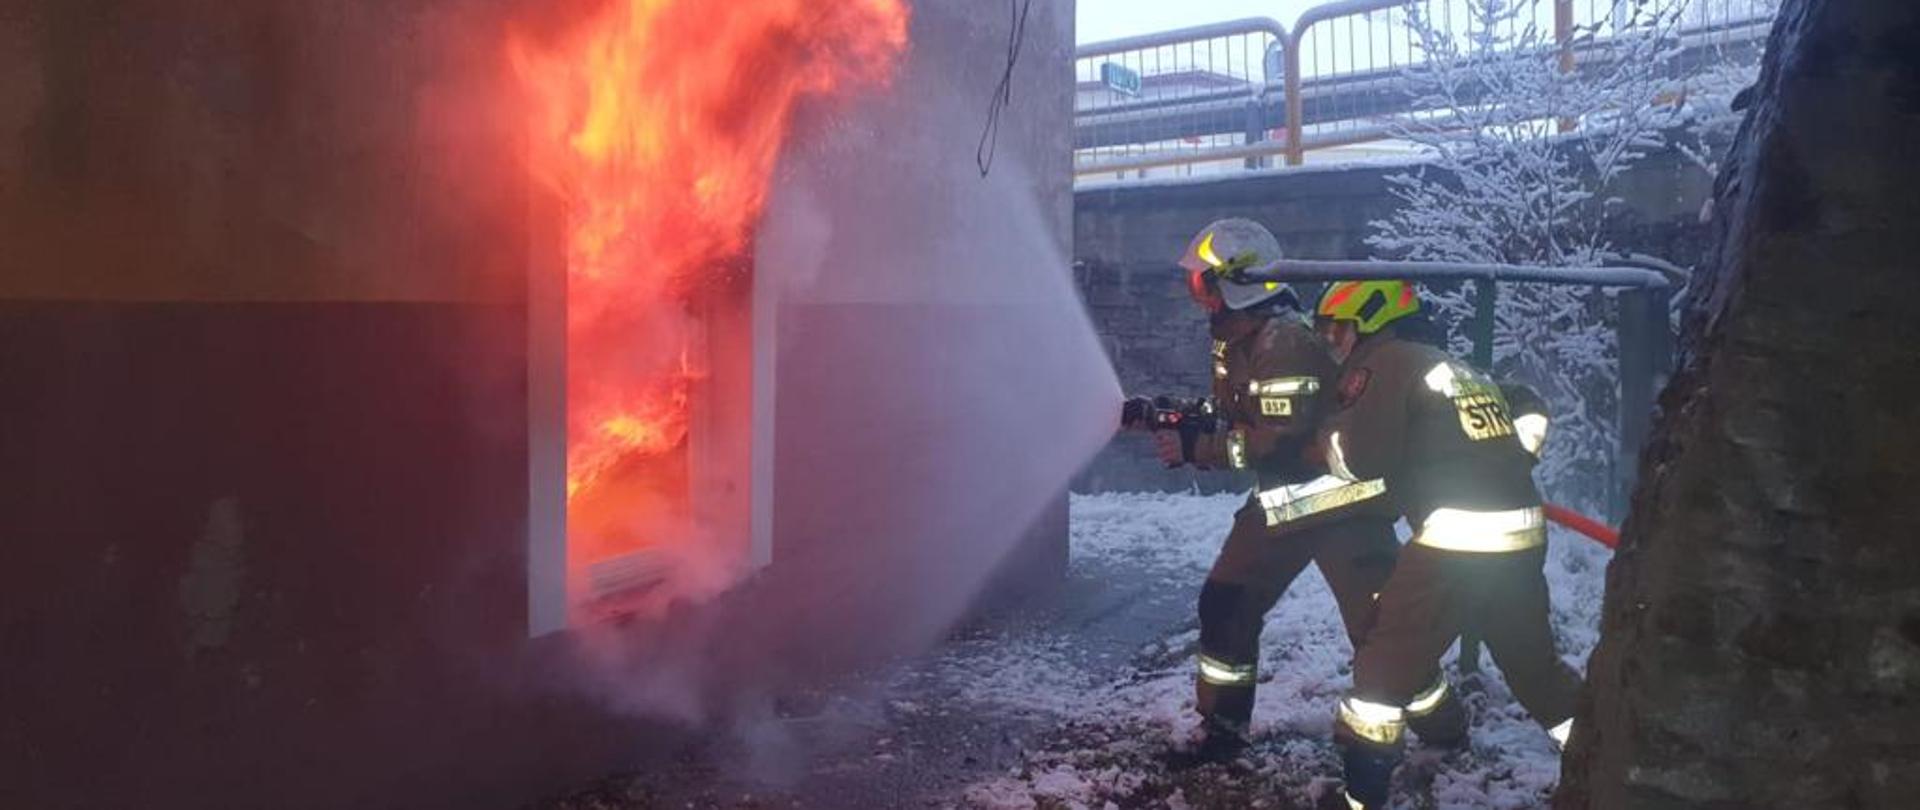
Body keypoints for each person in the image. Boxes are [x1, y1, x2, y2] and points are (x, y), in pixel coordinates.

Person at [1122, 219, 1400, 764]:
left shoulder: (1286, 343)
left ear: (1237, 283)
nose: (1198, 297)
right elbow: (1236, 416)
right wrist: (1165, 413)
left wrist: (1194, 449)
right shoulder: (1240, 342)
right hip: (1285, 503)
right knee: (1225, 604)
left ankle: (1440, 728)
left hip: (1339, 504)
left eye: (1203, 284)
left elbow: (1277, 440)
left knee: (1382, 630)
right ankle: (1223, 731)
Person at [1308, 280, 1582, 810]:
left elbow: (1363, 459)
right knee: (1533, 666)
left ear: (1372, 322)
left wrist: (1327, 437)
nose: (1332, 342)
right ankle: (1601, 757)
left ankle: (1359, 800)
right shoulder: (1456, 367)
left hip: (1454, 544)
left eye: (1337, 329)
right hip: (1521, 538)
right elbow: (1526, 403)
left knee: (1382, 673)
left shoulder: (1385, 360)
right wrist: (1514, 459)